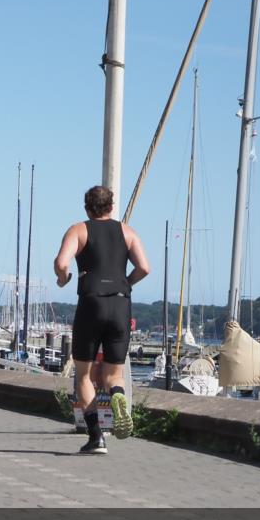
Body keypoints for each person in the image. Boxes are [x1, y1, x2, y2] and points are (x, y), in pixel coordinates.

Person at [54, 185, 149, 453]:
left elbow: (62, 263)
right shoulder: (127, 232)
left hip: (91, 302)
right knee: (112, 375)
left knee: (83, 375)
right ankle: (118, 396)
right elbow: (144, 267)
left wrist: (63, 280)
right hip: (120, 303)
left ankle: (96, 438)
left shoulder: (79, 230)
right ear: (111, 207)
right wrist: (125, 284)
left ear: (87, 207)